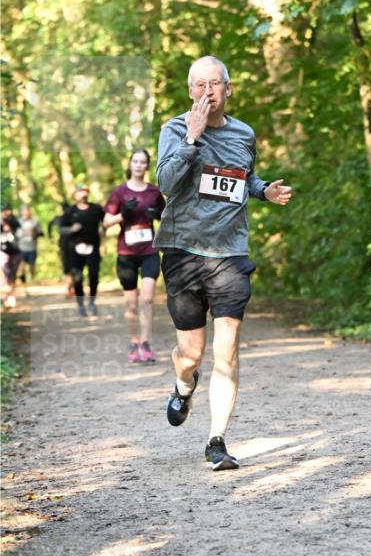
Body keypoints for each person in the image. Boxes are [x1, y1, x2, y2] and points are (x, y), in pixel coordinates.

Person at [155, 55, 292, 469]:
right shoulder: (174, 129)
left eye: (215, 84)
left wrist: (262, 189)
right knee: (191, 353)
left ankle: (217, 440)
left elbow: (241, 176)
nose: (207, 92)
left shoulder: (243, 133)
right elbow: (165, 183)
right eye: (199, 85)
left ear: (228, 89)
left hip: (230, 254)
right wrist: (191, 140)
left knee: (228, 348)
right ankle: (183, 386)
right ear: (189, 90)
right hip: (183, 252)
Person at [104, 148, 165, 362]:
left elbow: (166, 217)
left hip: (149, 251)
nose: (138, 165)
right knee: (131, 302)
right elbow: (106, 222)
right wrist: (124, 214)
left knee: (147, 299)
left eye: (143, 162)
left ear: (147, 166)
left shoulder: (154, 192)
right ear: (130, 165)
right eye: (135, 161)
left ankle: (146, 343)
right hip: (126, 253)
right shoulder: (119, 192)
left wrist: (157, 215)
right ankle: (134, 342)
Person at [64, 184, 105, 317]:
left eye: (85, 191)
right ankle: (81, 305)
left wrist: (103, 231)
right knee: (77, 278)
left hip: (93, 248)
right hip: (75, 249)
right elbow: (61, 229)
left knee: (94, 276)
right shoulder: (70, 211)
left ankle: (92, 302)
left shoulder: (96, 208)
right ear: (75, 195)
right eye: (80, 191)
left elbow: (106, 222)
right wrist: (71, 229)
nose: (83, 193)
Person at [49, 202, 76, 297]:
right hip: (65, 246)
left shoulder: (73, 217)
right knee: (68, 268)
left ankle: (71, 286)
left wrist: (50, 237)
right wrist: (50, 237)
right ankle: (69, 287)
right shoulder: (61, 218)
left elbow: (50, 224)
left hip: (71, 245)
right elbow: (51, 225)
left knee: (71, 268)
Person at [16, 204, 43, 284]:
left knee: (31, 267)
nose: (26, 212)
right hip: (21, 248)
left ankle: (32, 278)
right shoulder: (18, 222)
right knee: (21, 267)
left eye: (27, 210)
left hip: (32, 248)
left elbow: (41, 233)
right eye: (24, 210)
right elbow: (14, 234)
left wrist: (34, 234)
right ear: (21, 212)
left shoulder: (35, 222)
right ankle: (23, 283)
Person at [1, 211, 21, 308]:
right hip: (3, 253)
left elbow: (20, 235)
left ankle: (11, 296)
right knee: (6, 275)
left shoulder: (15, 222)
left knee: (12, 276)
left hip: (15, 253)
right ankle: (7, 298)